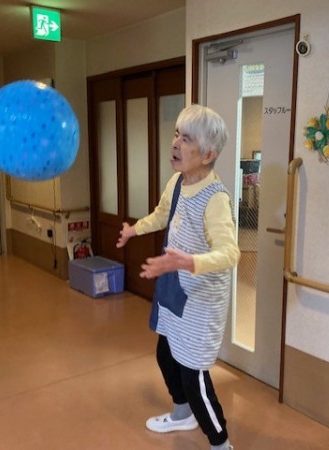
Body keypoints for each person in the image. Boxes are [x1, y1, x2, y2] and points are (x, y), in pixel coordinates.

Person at [116, 104, 240, 450]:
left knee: (193, 375)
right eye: (176, 134)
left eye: (187, 139)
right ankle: (182, 413)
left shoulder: (215, 198)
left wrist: (189, 262)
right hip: (176, 289)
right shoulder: (177, 182)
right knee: (165, 354)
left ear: (208, 154)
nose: (175, 143)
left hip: (201, 302)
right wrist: (134, 230)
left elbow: (231, 253)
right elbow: (161, 214)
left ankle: (221, 443)